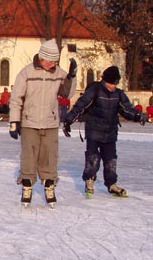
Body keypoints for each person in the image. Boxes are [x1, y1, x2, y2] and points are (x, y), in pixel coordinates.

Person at [8, 39, 77, 206]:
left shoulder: (58, 73)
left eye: (55, 61)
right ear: (41, 57)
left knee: (49, 157)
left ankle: (49, 185)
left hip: (50, 122)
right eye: (50, 61)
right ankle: (27, 185)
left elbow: (67, 93)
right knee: (28, 157)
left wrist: (72, 77)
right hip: (29, 122)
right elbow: (16, 98)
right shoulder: (26, 73)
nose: (52, 64)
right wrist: (14, 121)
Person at [63, 65, 147, 198]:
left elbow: (127, 109)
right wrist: (68, 121)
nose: (112, 86)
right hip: (94, 131)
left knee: (111, 160)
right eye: (110, 83)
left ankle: (111, 184)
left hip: (110, 132)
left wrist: (138, 116)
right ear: (104, 80)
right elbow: (80, 106)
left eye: (114, 83)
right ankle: (89, 180)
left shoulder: (118, 94)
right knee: (93, 158)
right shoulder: (94, 91)